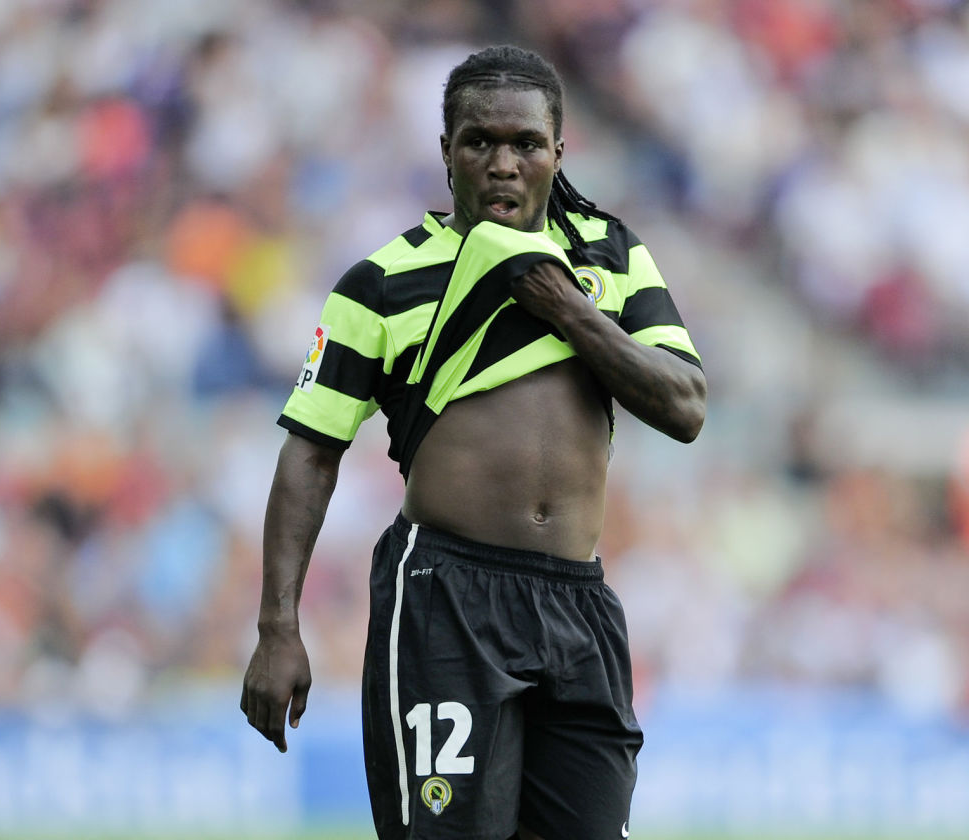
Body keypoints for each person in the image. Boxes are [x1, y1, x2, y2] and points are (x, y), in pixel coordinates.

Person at [241, 44, 707, 840]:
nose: (502, 163)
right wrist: (277, 627)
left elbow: (685, 407)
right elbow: (311, 453)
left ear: (559, 152)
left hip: (578, 602)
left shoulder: (612, 256)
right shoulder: (382, 282)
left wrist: (569, 309)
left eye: (526, 143)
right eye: (478, 141)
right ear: (445, 150)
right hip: (446, 597)